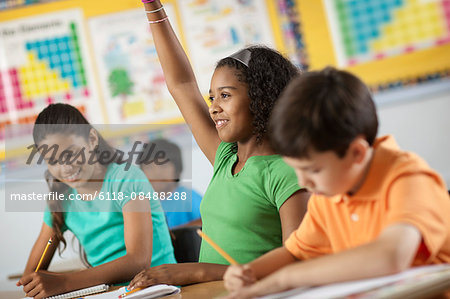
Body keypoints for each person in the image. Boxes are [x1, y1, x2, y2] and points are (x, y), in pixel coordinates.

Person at [127, 0, 310, 289]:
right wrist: (152, 6)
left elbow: (298, 261)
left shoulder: (287, 173)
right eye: (212, 97)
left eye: (225, 95)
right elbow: (182, 84)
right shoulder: (225, 157)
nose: (213, 108)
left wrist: (198, 272)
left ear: (262, 98)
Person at [222, 67, 450, 299]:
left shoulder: (409, 178)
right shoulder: (328, 194)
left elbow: (391, 256)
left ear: (357, 153)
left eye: (313, 170)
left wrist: (286, 278)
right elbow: (295, 253)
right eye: (297, 170)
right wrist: (250, 271)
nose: (304, 182)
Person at [17, 104, 176, 299]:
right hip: (109, 294)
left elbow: (138, 261)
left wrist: (64, 282)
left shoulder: (125, 179)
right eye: (52, 160)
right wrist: (37, 283)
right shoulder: (61, 200)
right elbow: (30, 275)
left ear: (92, 140)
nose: (65, 167)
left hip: (158, 290)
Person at [138, 138, 202, 228]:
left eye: (163, 165)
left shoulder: (189, 198)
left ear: (177, 169)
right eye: (149, 167)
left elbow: (211, 222)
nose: (157, 173)